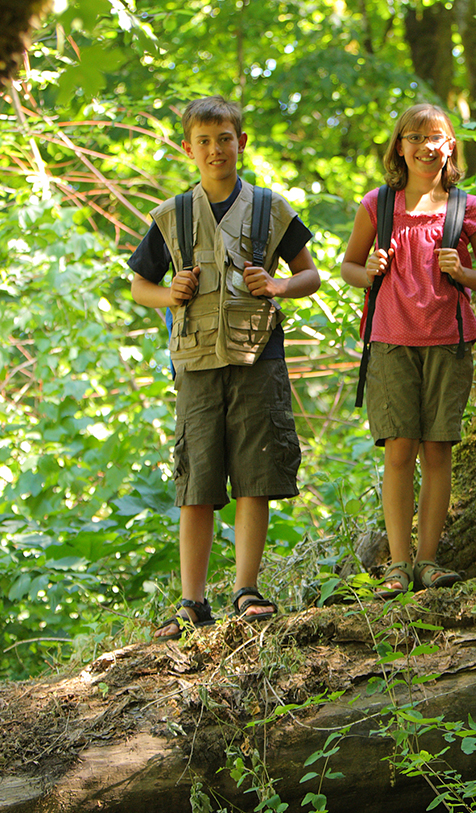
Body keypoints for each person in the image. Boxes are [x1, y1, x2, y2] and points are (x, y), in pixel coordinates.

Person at [129, 96, 320, 635]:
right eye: (205, 141)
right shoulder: (172, 216)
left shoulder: (269, 209)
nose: (217, 149)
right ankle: (191, 601)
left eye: (226, 138)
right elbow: (139, 283)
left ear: (242, 142)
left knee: (256, 474)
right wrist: (169, 295)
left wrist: (278, 284)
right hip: (195, 363)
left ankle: (246, 588)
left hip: (258, 356)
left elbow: (311, 276)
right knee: (198, 480)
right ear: (188, 148)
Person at [340, 104, 476, 597]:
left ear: (450, 146)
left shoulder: (467, 208)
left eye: (435, 137)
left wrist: (464, 272)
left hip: (449, 342)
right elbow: (348, 267)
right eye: (413, 137)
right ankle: (397, 565)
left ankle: (429, 561)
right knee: (398, 449)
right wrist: (367, 266)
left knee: (437, 451)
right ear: (399, 147)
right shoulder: (378, 205)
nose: (424, 146)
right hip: (390, 340)